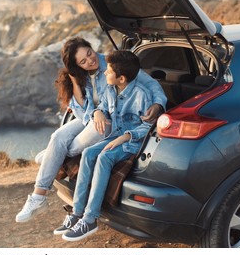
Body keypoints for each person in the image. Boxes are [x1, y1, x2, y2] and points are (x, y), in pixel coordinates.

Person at [15, 37, 166, 223]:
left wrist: (158, 104)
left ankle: (54, 156)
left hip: (109, 121)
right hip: (90, 117)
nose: (90, 61)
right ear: (76, 65)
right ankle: (38, 196)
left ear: (91, 47)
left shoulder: (113, 65)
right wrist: (77, 85)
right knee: (57, 136)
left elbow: (152, 85)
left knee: (81, 138)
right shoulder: (79, 74)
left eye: (89, 53)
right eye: (82, 61)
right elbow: (80, 112)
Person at [58, 50, 167, 241]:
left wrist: (125, 137)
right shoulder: (110, 89)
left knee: (104, 157)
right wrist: (97, 113)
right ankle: (77, 212)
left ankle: (90, 218)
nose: (105, 74)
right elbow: (103, 108)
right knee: (89, 153)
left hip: (133, 142)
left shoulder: (142, 95)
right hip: (115, 135)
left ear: (121, 78)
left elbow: (148, 126)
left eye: (108, 72)